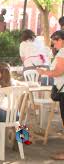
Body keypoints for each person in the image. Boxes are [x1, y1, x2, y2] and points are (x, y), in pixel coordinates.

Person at [36, 30, 64, 160]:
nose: (54, 44)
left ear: (61, 40)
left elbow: (58, 72)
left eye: (55, 41)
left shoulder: (63, 52)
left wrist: (44, 72)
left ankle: (23, 139)